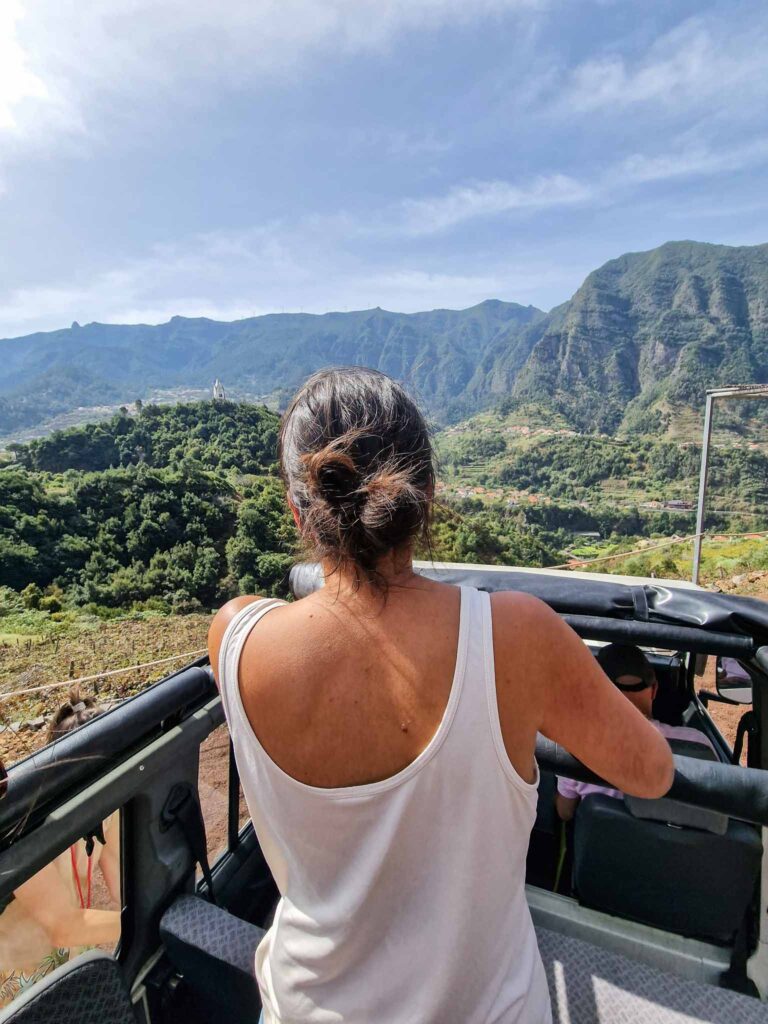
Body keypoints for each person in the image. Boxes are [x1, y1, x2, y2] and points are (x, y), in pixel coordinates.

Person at [208, 367, 673, 1024]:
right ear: (426, 496)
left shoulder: (233, 636)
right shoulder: (516, 635)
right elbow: (651, 773)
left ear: (297, 511)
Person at [0, 689, 120, 1007]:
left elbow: (126, 882)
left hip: (64, 969)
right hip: (15, 983)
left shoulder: (108, 811)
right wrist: (138, 919)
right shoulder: (24, 824)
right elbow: (64, 926)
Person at [556, 643, 716, 822]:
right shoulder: (698, 744)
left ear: (597, 692)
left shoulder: (579, 747)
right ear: (654, 690)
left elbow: (565, 812)